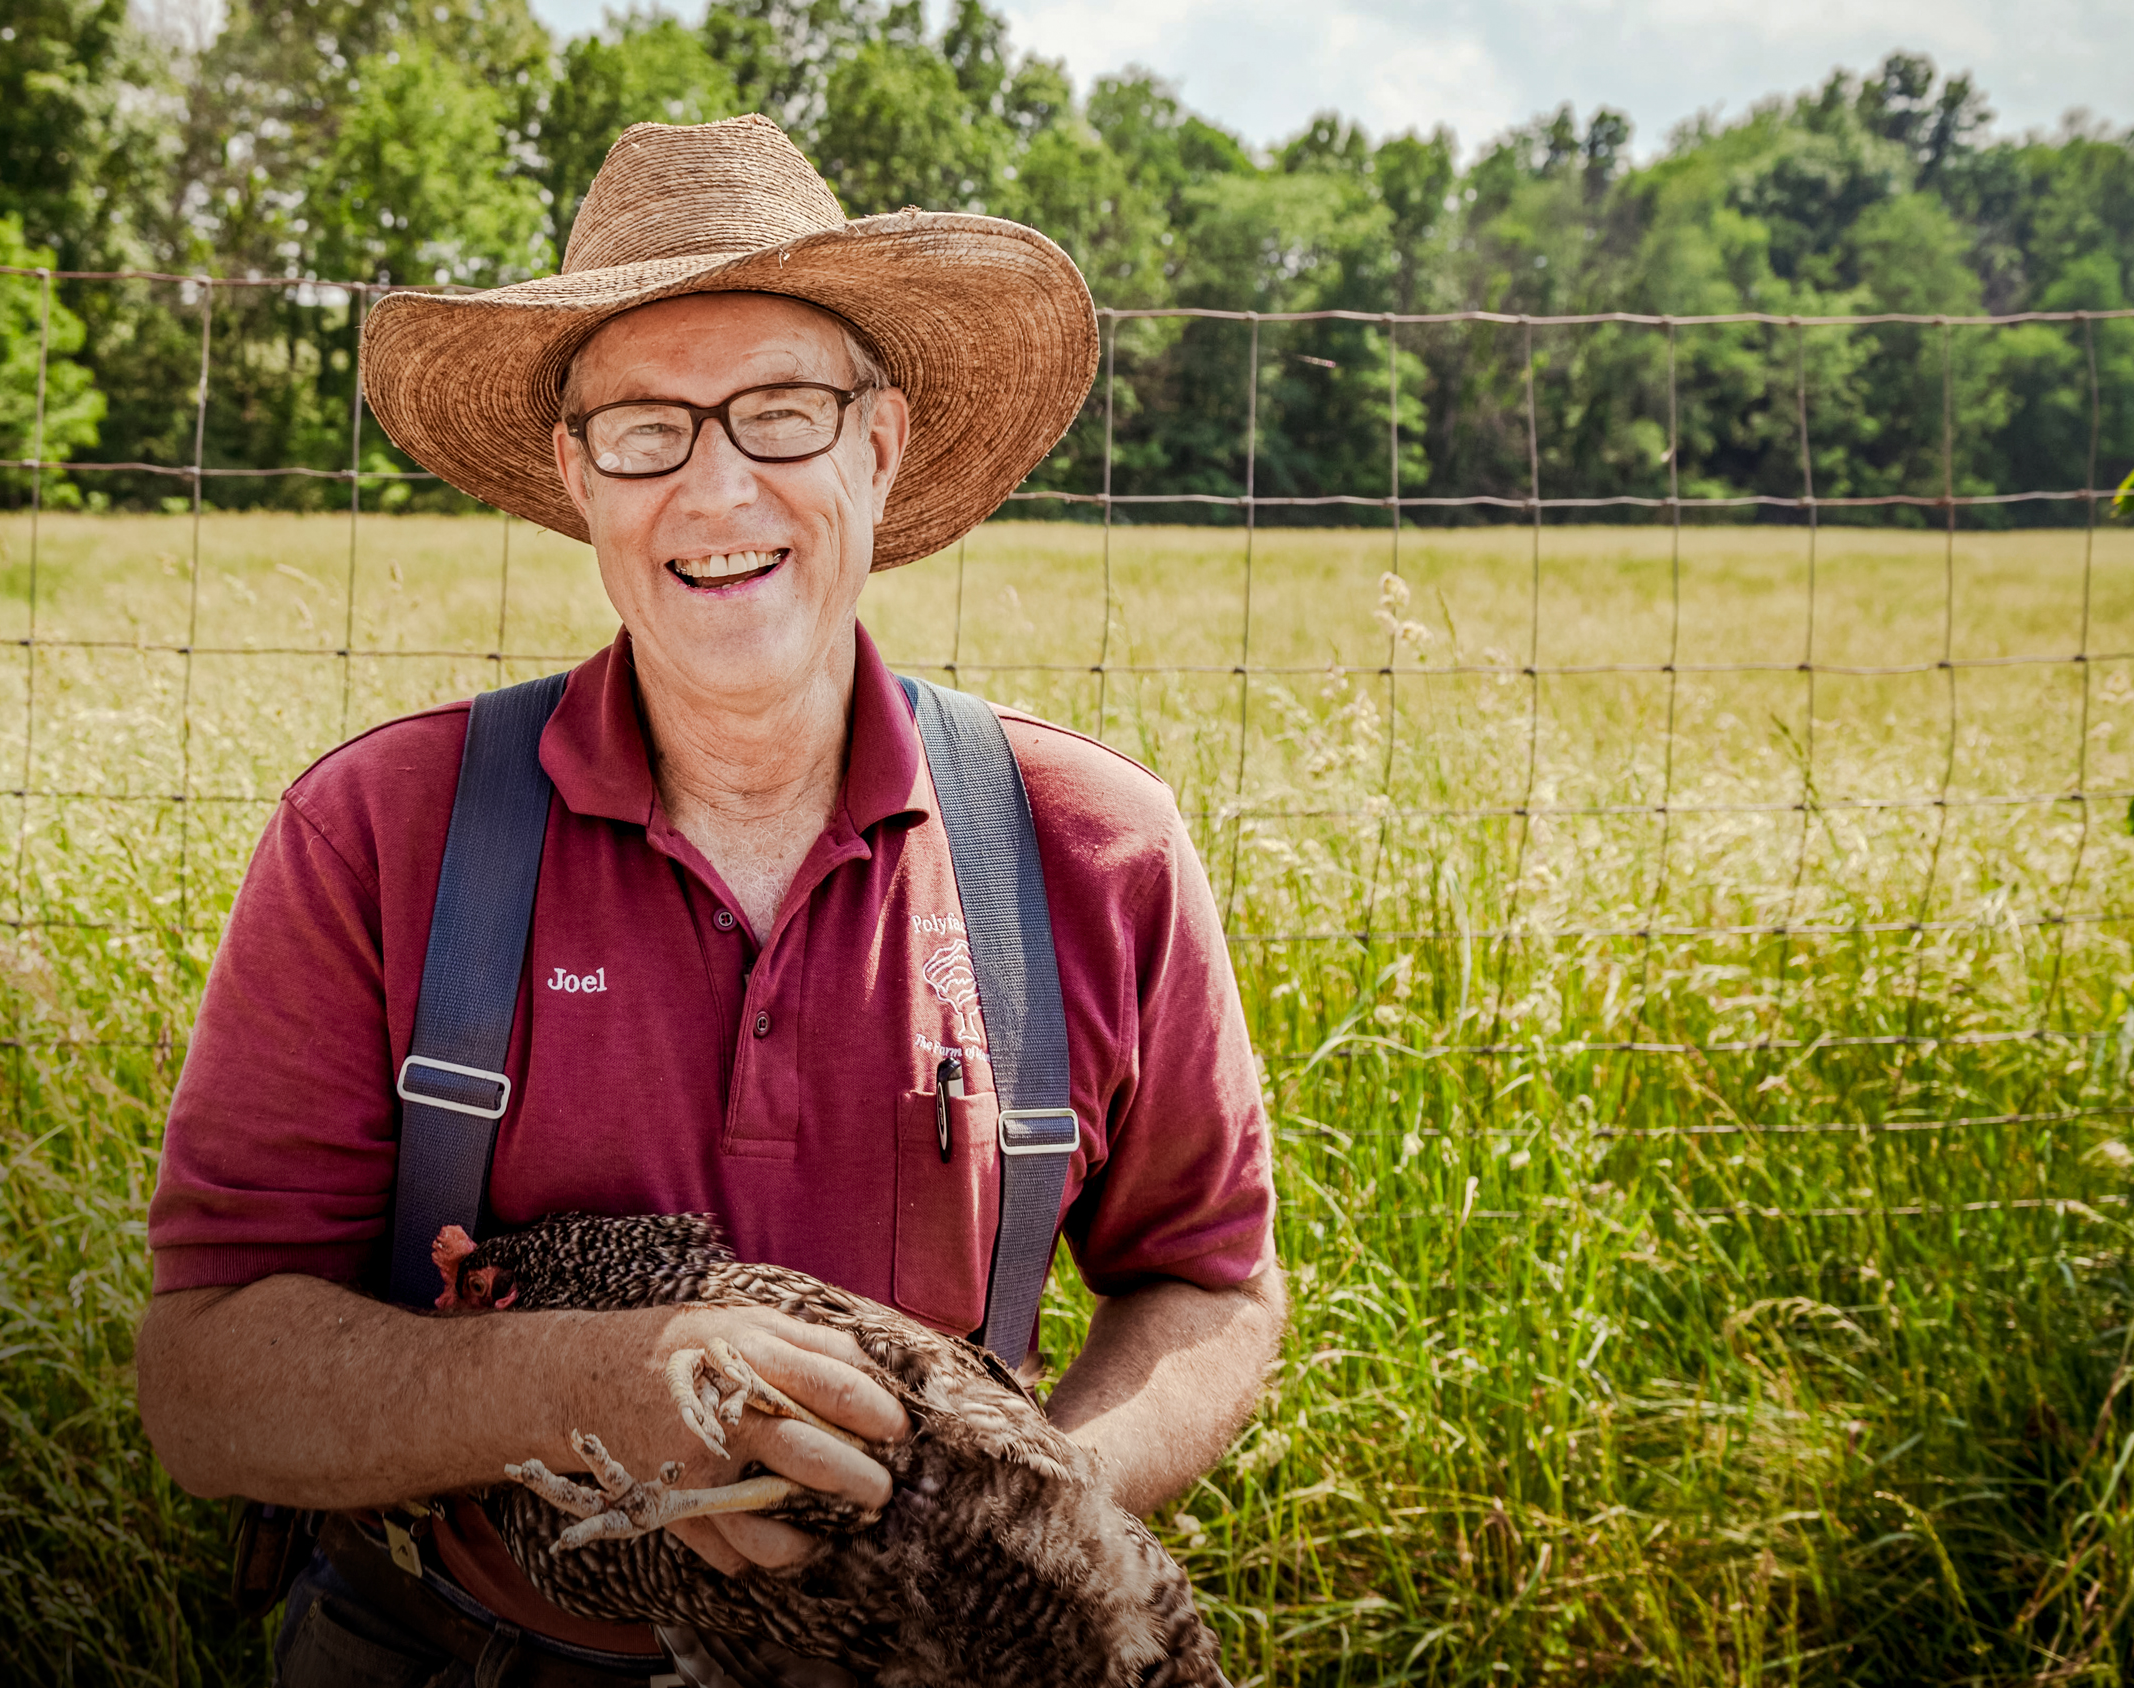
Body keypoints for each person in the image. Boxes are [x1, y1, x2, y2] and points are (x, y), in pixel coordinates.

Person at [135, 114, 1284, 1688]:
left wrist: (1010, 1523)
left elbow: (1208, 1283)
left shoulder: (1095, 847)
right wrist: (600, 1380)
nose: (717, 487)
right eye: (645, 429)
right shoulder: (378, 835)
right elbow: (205, 1380)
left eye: (782, 412)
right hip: (459, 1650)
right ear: (575, 478)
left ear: (878, 448)